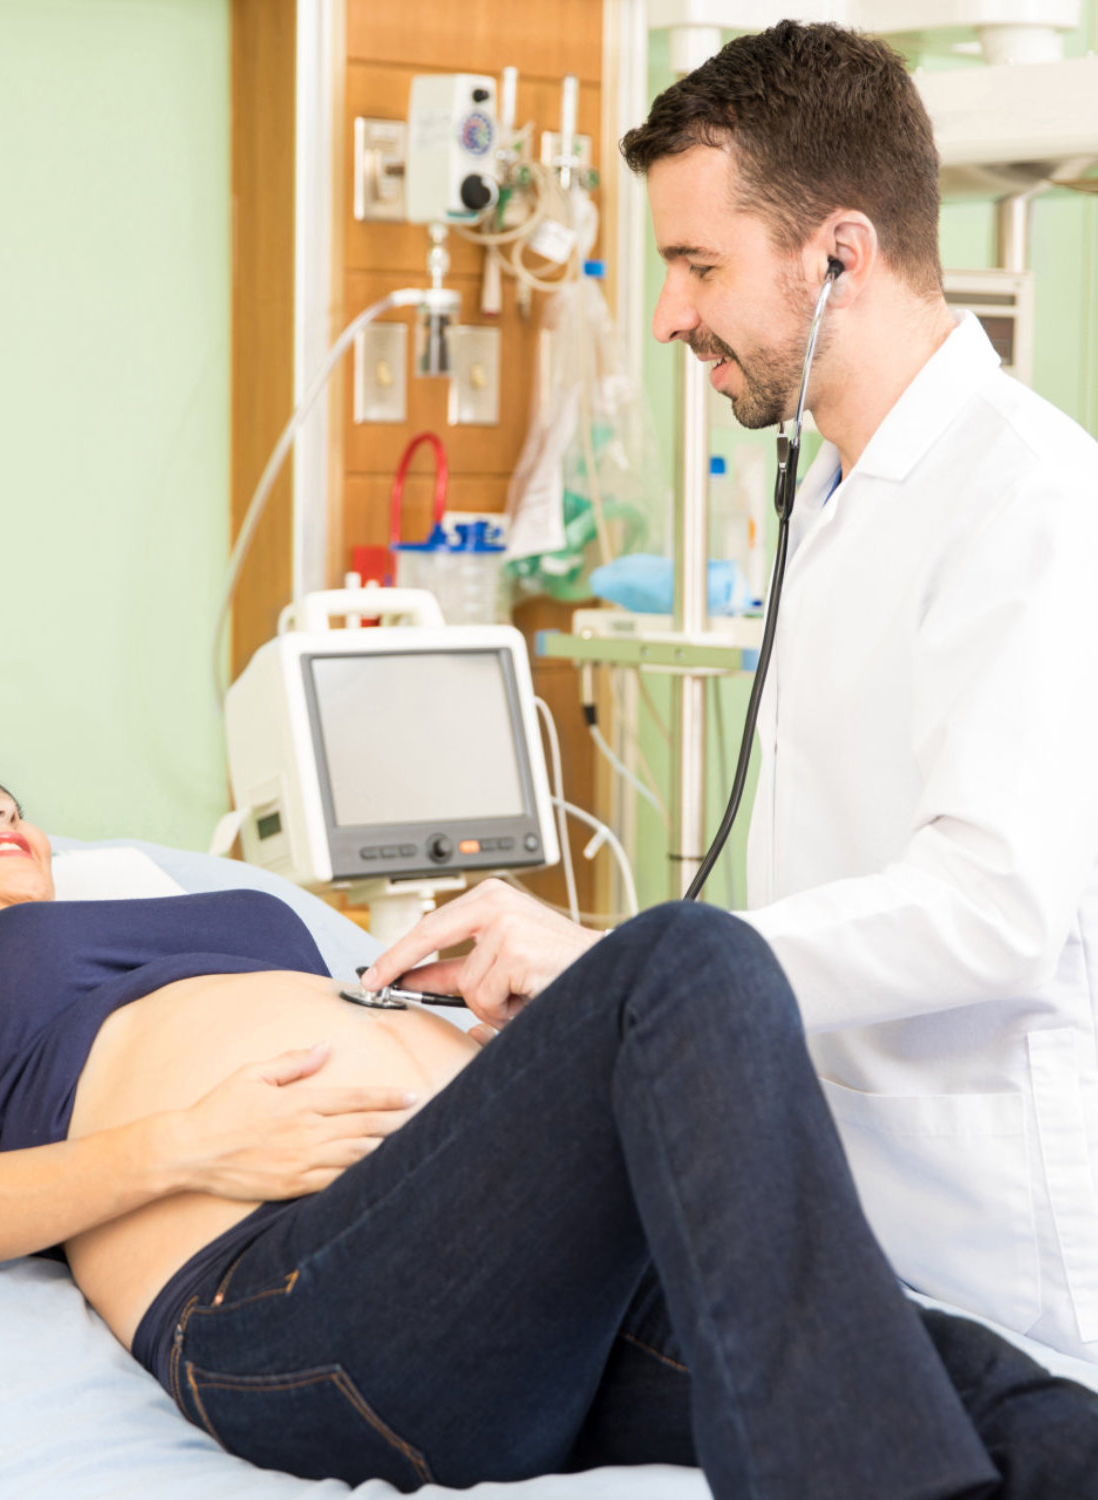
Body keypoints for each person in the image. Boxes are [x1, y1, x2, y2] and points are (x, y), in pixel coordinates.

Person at [0, 737, 1098, 1499]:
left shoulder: (220, 911)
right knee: (681, 952)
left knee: (1000, 1401)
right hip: (290, 1310)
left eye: (1, 794)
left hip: (526, 1297)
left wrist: (533, 1060)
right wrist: (190, 1147)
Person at [366, 19, 1098, 1365]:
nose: (666, 314)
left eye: (696, 264)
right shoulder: (838, 491)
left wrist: (624, 969)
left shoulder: (1032, 505)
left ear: (837, 255)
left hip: (1004, 1252)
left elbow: (989, 910)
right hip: (861, 1221)